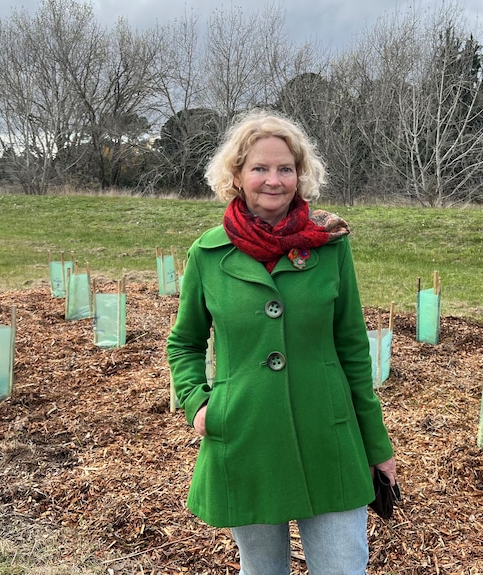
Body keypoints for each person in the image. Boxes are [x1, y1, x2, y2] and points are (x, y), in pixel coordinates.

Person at [166, 108, 397, 575]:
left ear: (300, 175)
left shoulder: (329, 244)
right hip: (245, 439)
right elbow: (184, 343)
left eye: (285, 168)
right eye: (260, 168)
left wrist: (377, 446)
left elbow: (353, 346)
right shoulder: (208, 254)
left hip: (328, 437)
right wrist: (198, 403)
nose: (274, 180)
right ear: (236, 175)